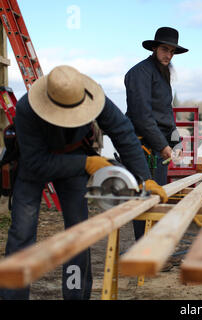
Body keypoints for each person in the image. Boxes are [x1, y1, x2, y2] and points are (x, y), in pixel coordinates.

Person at [0, 65, 168, 300]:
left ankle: (76, 296)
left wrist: (144, 178)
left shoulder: (94, 96)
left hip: (74, 157)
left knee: (78, 235)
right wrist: (87, 164)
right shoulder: (27, 108)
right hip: (35, 163)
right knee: (22, 234)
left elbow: (124, 134)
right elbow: (37, 163)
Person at [125, 26, 187, 240]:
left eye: (171, 51)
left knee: (158, 196)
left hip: (158, 145)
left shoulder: (164, 73)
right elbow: (142, 116)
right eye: (164, 49)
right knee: (145, 198)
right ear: (154, 48)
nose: (168, 55)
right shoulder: (139, 73)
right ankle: (144, 252)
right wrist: (163, 146)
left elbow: (165, 112)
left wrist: (176, 141)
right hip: (142, 145)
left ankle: (152, 247)